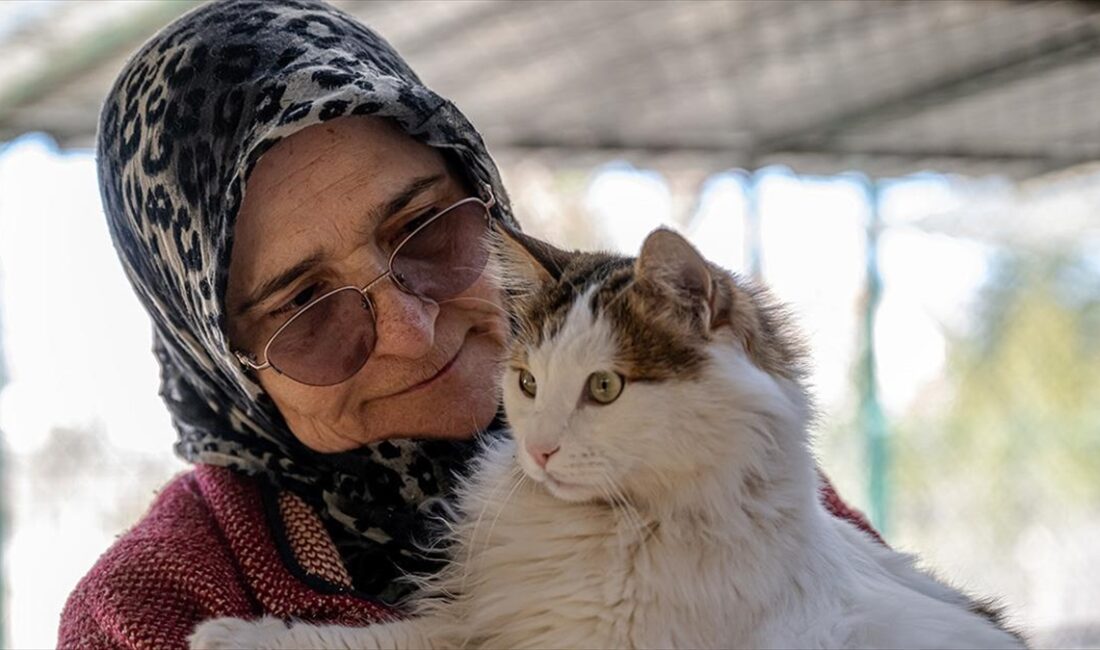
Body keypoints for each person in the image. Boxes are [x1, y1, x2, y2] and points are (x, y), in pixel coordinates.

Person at [58, 1, 879, 648]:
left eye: (425, 233)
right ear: (224, 364)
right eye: (307, 307)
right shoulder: (151, 607)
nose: (412, 331)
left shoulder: (731, 481)